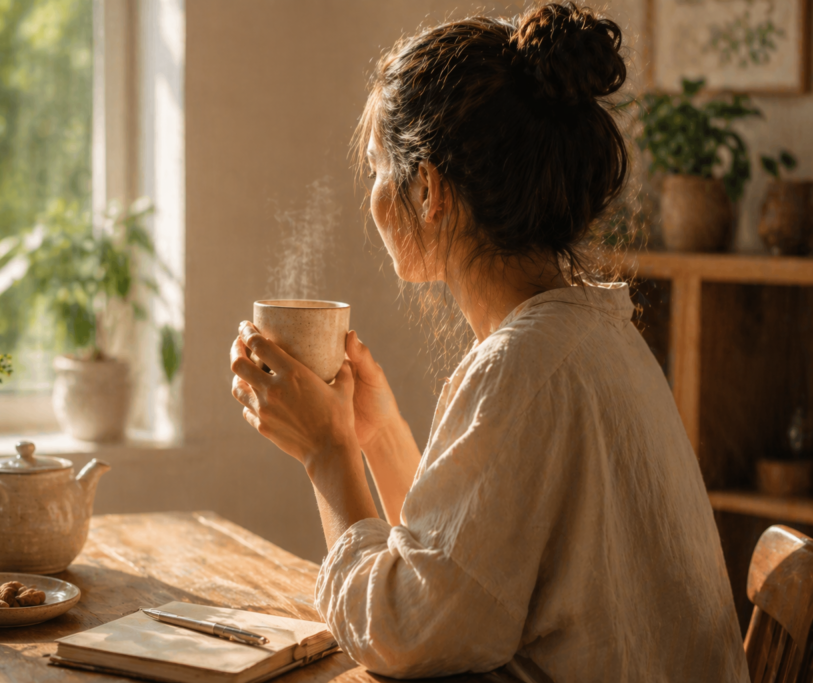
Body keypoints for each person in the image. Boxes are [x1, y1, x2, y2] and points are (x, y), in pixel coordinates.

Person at [228, 3, 748, 681]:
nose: (373, 199)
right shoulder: (585, 330)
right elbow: (471, 569)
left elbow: (407, 631)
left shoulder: (524, 366)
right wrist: (378, 435)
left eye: (380, 171)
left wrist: (328, 455)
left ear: (431, 191)